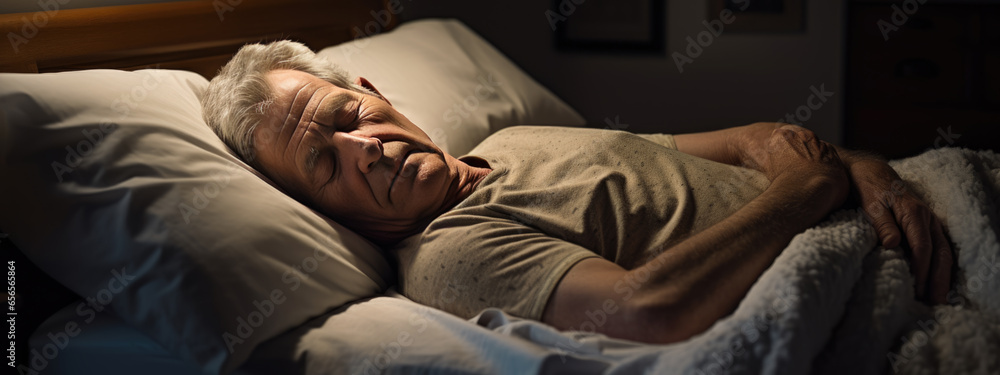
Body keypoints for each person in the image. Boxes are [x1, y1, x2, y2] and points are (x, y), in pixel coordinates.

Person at [202, 41, 953, 344]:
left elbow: (751, 142)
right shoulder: (450, 255)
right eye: (324, 163)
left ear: (373, 91)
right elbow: (646, 309)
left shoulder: (511, 142)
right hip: (879, 272)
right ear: (319, 207)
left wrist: (867, 168)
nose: (363, 150)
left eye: (349, 118)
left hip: (911, 198)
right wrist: (817, 185)